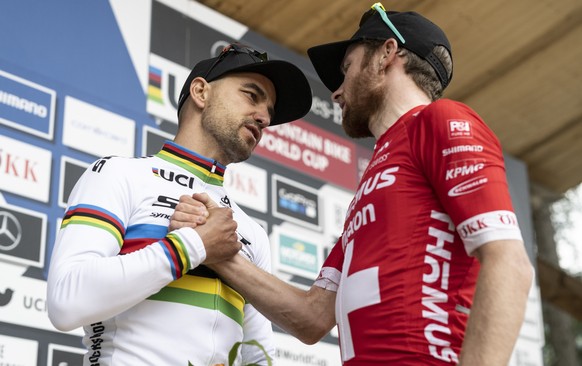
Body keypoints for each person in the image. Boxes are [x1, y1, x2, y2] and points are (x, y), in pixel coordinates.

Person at [171, 3, 534, 365]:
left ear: (386, 54)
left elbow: (508, 263)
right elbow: (312, 317)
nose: (337, 92)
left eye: (346, 70)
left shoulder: (440, 120)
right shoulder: (374, 180)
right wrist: (215, 248)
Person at [47, 43, 312, 365]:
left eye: (269, 111)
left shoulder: (250, 231)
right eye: (252, 95)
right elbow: (65, 302)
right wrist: (193, 246)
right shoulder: (120, 174)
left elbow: (257, 352)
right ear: (201, 92)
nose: (264, 118)